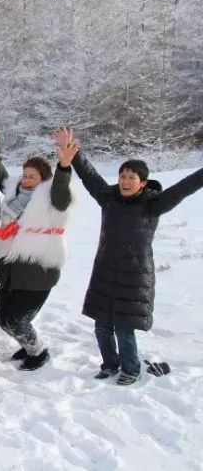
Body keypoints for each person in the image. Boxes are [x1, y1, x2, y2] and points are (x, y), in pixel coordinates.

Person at [67, 129, 203, 385]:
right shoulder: (109, 199)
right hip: (105, 271)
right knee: (102, 327)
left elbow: (184, 188)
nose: (125, 181)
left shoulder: (153, 205)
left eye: (132, 177)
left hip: (134, 276)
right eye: (122, 176)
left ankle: (130, 369)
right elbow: (90, 177)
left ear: (143, 183)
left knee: (123, 328)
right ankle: (109, 365)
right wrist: (75, 153)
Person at [0, 126, 78, 370]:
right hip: (12, 268)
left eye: (32, 176)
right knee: (3, 318)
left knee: (17, 319)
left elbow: (62, 194)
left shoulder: (50, 199)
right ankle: (27, 345)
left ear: (44, 179)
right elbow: (0, 174)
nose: (26, 180)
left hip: (38, 271)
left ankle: (39, 353)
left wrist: (64, 166)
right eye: (25, 175)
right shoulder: (14, 193)